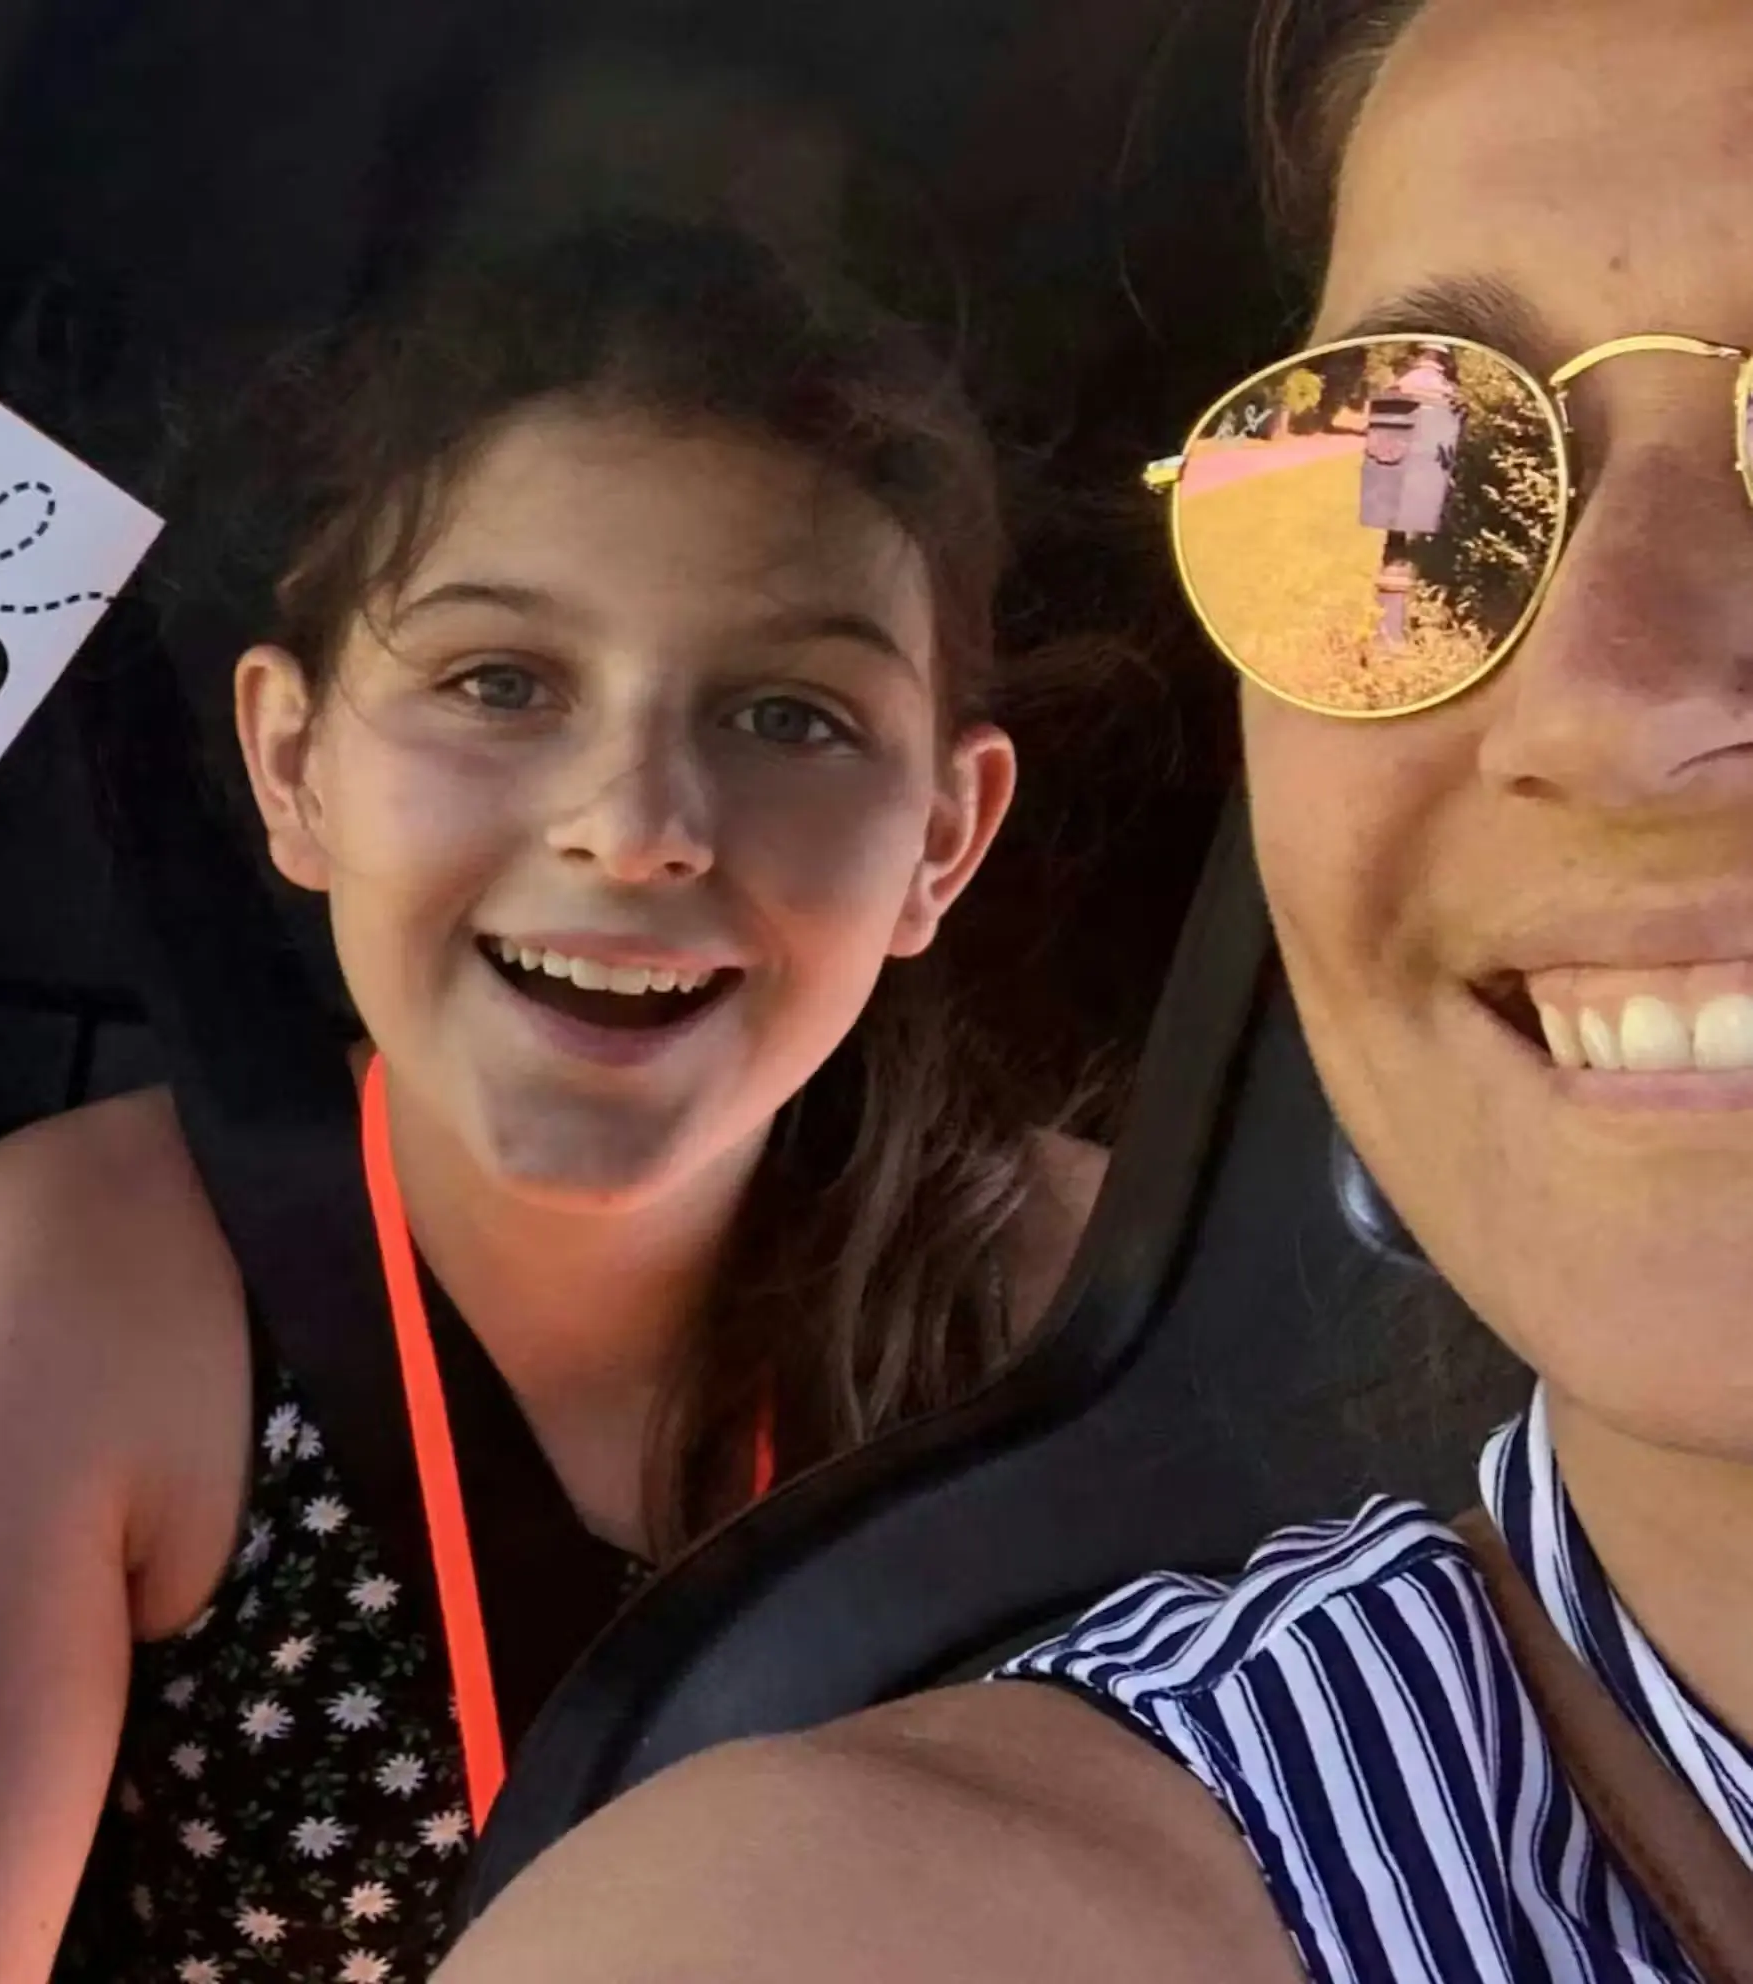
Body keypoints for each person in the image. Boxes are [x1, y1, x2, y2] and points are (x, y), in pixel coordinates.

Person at [0, 219, 1104, 1984]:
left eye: (787, 714)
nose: (638, 822)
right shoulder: (107, 1286)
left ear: (941, 840)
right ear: (295, 768)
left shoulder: (1075, 1321)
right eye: (500, 683)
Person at [416, 0, 1753, 1978]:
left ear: (956, 830)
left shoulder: (1023, 1256)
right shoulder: (855, 1927)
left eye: (788, 713)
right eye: (1408, 472)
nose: (1606, 687)